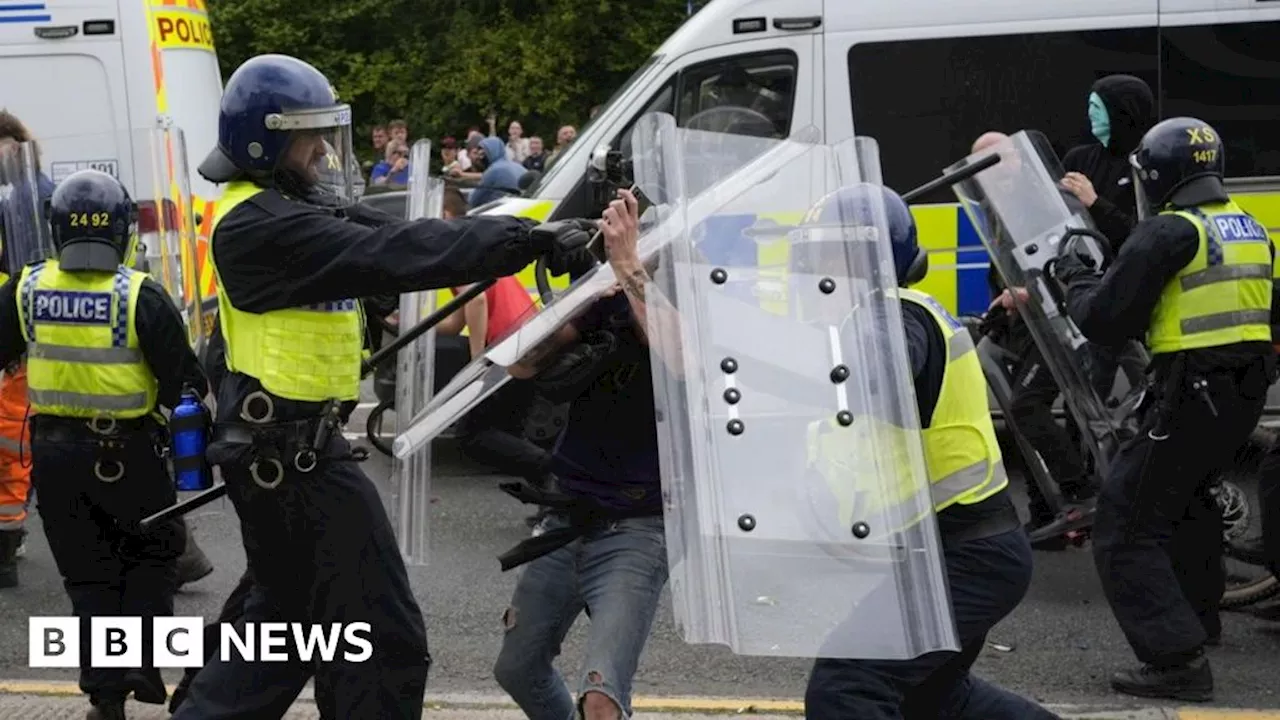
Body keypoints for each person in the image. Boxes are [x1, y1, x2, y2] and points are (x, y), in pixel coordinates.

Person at [169, 53, 594, 720]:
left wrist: (535, 236)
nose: (320, 152)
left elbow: (397, 235)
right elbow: (398, 252)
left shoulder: (290, 206)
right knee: (380, 642)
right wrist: (525, 245)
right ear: (266, 141)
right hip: (293, 462)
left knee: (283, 629)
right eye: (310, 138)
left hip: (289, 454)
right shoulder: (260, 223)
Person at [803, 184, 1059, 720]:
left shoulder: (892, 315)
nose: (810, 266)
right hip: (949, 552)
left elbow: (892, 364)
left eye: (822, 250)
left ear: (858, 255)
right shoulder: (867, 319)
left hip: (967, 554)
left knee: (847, 684)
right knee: (934, 696)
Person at [1054, 117, 1277, 702]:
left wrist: (1073, 276)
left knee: (1123, 525)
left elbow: (1104, 319)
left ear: (1155, 175)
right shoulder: (1249, 227)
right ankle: (1200, 622)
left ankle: (1176, 660)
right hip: (1240, 395)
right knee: (1186, 502)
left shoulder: (1168, 232)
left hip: (1193, 390)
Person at [0, 169, 206, 720]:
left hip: (54, 455)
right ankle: (141, 661)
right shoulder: (141, 294)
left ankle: (105, 700)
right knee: (155, 554)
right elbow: (184, 383)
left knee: (88, 576)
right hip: (128, 455)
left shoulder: (27, 286)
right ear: (123, 234)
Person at [492, 189, 668, 720]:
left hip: (639, 525)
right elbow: (520, 364)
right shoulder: (607, 299)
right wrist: (582, 285)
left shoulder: (695, 312)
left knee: (603, 697)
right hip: (569, 512)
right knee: (518, 667)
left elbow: (679, 357)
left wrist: (629, 268)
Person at [973, 131, 1094, 547]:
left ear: (1020, 161)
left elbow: (1068, 256)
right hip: (1031, 323)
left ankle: (1080, 493)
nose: (992, 173)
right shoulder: (994, 208)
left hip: (1061, 320)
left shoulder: (1041, 200)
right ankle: (1050, 512)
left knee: (1028, 406)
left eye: (998, 160)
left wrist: (1025, 290)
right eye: (981, 167)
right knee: (1029, 410)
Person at [432, 187, 555, 527]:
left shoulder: (455, 246)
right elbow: (459, 316)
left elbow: (477, 302)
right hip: (526, 339)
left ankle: (554, 474)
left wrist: (477, 361)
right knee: (510, 432)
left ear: (444, 214)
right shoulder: (472, 243)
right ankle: (554, 500)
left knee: (472, 434)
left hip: (509, 346)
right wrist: (415, 327)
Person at [1059, 74, 1155, 403]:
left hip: (1133, 290)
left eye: (1097, 108)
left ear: (1121, 112)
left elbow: (1144, 233)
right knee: (1087, 397)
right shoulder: (1079, 159)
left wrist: (1095, 202)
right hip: (1093, 290)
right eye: (1089, 107)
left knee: (1150, 388)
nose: (1090, 115)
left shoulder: (1148, 162)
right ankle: (1095, 448)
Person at [0, 110, 51, 587]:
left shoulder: (28, 196)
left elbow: (25, 271)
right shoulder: (32, 190)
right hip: (35, 332)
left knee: (16, 438)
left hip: (28, 335)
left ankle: (7, 545)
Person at [469, 135, 525, 208]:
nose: (480, 158)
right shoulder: (519, 167)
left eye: (483, 154)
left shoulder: (494, 171)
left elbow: (473, 201)